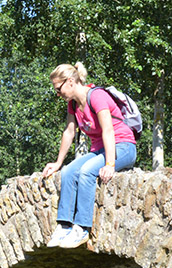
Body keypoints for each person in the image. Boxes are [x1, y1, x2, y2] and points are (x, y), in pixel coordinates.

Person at [42, 62, 137, 248]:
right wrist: (58, 162)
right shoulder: (73, 105)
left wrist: (110, 164)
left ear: (70, 81)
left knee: (87, 171)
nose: (58, 94)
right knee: (68, 171)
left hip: (123, 146)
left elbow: (108, 130)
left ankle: (82, 228)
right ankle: (64, 226)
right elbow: (69, 132)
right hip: (99, 149)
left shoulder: (97, 96)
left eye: (58, 89)